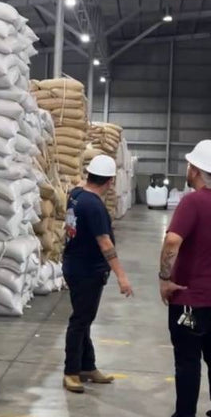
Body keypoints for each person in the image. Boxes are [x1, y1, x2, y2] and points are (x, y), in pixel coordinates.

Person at [62, 155, 134, 393]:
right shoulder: (94, 206)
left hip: (74, 266)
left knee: (85, 319)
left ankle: (87, 366)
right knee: (80, 321)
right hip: (86, 271)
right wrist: (122, 277)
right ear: (110, 181)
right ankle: (71, 372)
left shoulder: (76, 195)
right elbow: (105, 243)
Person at [159, 140, 211, 417]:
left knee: (188, 363)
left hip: (191, 301)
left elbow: (171, 243)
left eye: (190, 165)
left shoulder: (193, 202)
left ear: (197, 171)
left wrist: (164, 279)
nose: (188, 170)